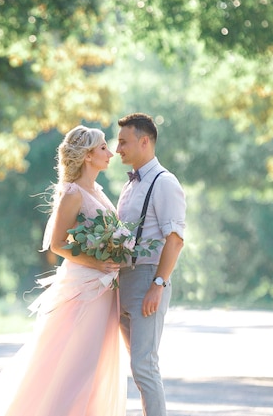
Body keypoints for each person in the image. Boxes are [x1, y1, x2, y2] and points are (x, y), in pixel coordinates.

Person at [0, 125, 126, 416]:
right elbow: (56, 244)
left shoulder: (99, 191)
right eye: (103, 147)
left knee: (97, 365)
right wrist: (97, 263)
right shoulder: (73, 194)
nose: (111, 152)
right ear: (88, 155)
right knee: (76, 365)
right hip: (85, 289)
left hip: (105, 288)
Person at [116, 113, 186, 416]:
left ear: (144, 141)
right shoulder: (129, 186)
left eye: (123, 142)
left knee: (144, 365)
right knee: (137, 364)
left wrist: (159, 284)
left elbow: (175, 238)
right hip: (123, 281)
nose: (117, 148)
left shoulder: (165, 182)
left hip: (147, 278)